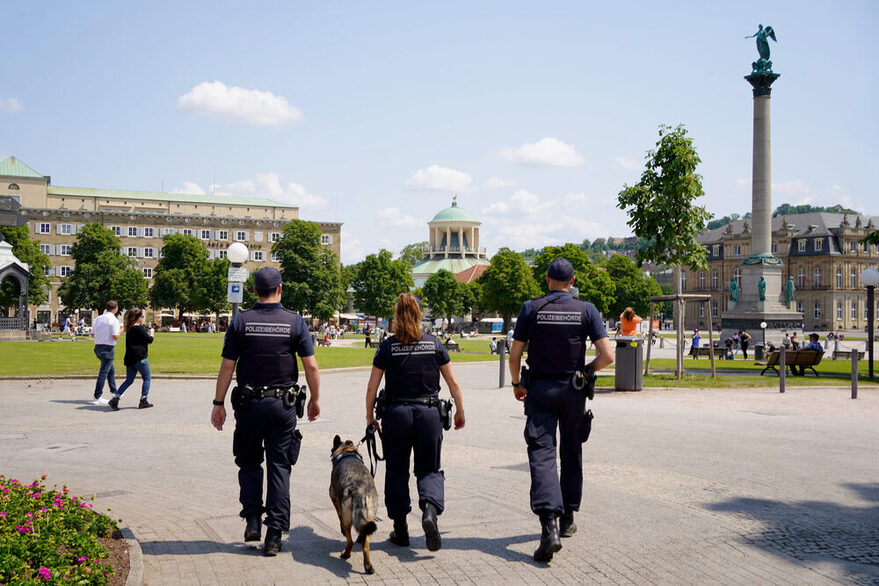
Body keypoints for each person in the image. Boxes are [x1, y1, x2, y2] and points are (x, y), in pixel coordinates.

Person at [508, 258, 614, 563]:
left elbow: (515, 354)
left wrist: (517, 383)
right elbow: (607, 355)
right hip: (574, 390)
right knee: (571, 450)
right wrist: (586, 370)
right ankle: (568, 517)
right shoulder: (587, 309)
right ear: (573, 280)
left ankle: (549, 526)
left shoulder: (532, 308)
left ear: (547, 279)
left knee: (542, 453)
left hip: (540, 389)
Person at [211, 267, 321, 557]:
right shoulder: (295, 322)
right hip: (282, 406)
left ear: (254, 291)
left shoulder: (241, 321)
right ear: (280, 289)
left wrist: (218, 403)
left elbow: (227, 366)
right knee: (279, 467)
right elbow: (310, 366)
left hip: (249, 404)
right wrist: (315, 400)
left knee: (248, 463)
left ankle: (252, 519)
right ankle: (274, 534)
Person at [365, 293, 465, 552]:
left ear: (396, 317)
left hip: (397, 414)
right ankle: (429, 512)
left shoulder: (387, 347)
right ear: (420, 315)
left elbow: (372, 388)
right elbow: (453, 383)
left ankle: (401, 529)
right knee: (429, 469)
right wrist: (460, 411)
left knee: (397, 471)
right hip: (429, 413)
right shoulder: (434, 344)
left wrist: (370, 417)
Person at [108, 308, 154, 410]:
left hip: (130, 357)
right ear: (137, 318)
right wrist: (152, 332)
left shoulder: (129, 328)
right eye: (141, 316)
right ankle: (143, 399)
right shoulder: (139, 328)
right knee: (147, 378)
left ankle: (116, 398)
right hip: (140, 358)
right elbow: (150, 340)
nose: (142, 318)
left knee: (129, 380)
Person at [90, 301, 121, 405]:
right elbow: (115, 336)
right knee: (103, 372)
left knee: (110, 369)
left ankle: (114, 391)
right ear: (116, 308)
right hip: (107, 348)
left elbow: (92, 334)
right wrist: (122, 330)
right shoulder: (114, 320)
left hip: (98, 347)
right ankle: (97, 396)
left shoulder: (98, 318)